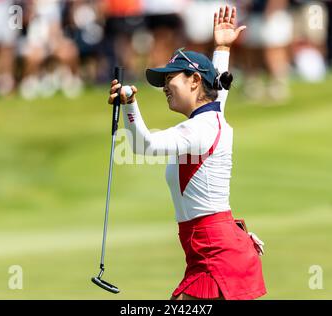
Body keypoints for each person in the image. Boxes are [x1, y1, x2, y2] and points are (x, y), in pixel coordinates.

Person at [108, 6, 266, 300]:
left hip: (216, 251)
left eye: (172, 78)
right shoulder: (210, 116)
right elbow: (218, 88)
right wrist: (221, 47)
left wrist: (129, 103)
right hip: (209, 248)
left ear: (195, 81)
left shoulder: (201, 128)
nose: (165, 85)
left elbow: (145, 146)